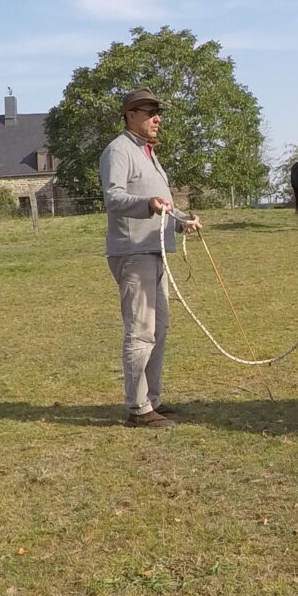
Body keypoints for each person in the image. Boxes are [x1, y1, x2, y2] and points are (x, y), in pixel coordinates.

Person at [100, 88, 202, 429]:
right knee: (141, 330)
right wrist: (146, 205)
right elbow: (113, 197)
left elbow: (162, 203)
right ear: (131, 115)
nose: (157, 118)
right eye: (150, 112)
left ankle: (152, 399)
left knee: (159, 327)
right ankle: (138, 409)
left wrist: (183, 219)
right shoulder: (118, 150)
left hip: (154, 250)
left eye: (158, 113)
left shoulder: (147, 153)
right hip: (132, 252)